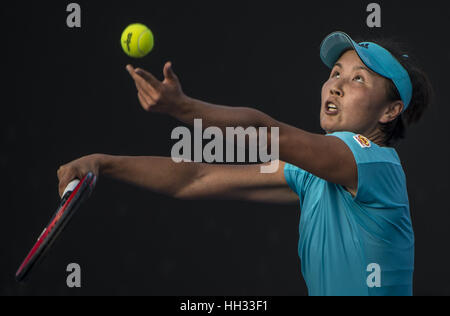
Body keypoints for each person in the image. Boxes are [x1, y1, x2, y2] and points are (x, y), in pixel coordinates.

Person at [57, 31, 433, 296]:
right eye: (335, 73)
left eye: (358, 79)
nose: (336, 85)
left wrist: (184, 108)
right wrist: (103, 163)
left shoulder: (372, 162)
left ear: (391, 110)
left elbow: (264, 130)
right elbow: (195, 176)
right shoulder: (313, 172)